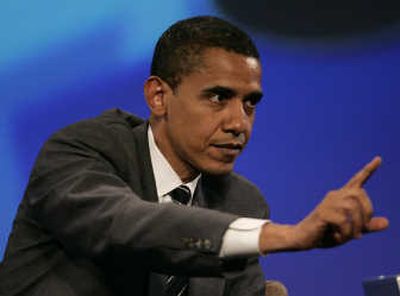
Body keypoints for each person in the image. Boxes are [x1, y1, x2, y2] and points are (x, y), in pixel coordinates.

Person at [0, 16, 389, 296]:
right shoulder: (80, 152)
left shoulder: (241, 202)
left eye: (250, 104)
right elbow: (128, 226)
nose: (240, 123)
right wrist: (286, 235)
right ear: (158, 97)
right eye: (218, 97)